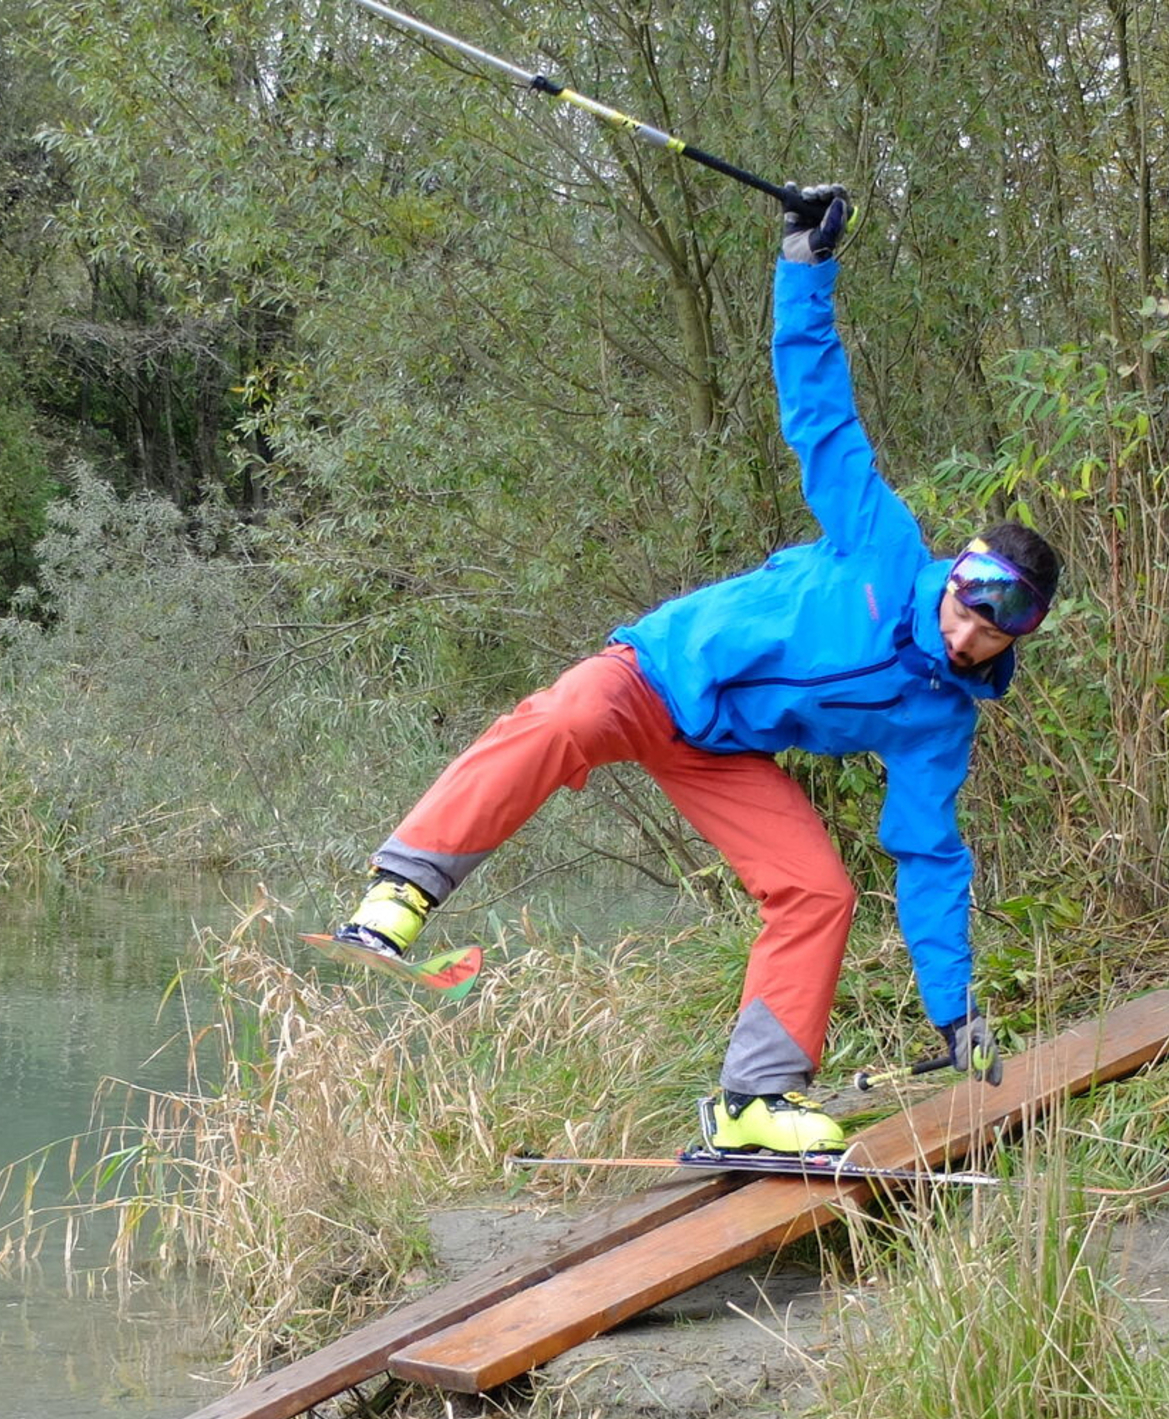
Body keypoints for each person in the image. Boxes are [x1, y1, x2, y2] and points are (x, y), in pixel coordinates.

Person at [332, 183, 1061, 1156]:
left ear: (1019, 636)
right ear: (954, 573)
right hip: (656, 675)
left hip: (717, 749)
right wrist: (805, 266)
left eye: (996, 628)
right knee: (564, 717)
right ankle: (406, 885)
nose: (969, 632)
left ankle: (754, 1100)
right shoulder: (880, 545)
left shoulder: (941, 722)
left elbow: (929, 859)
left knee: (817, 890)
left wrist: (953, 1008)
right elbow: (819, 414)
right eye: (968, 601)